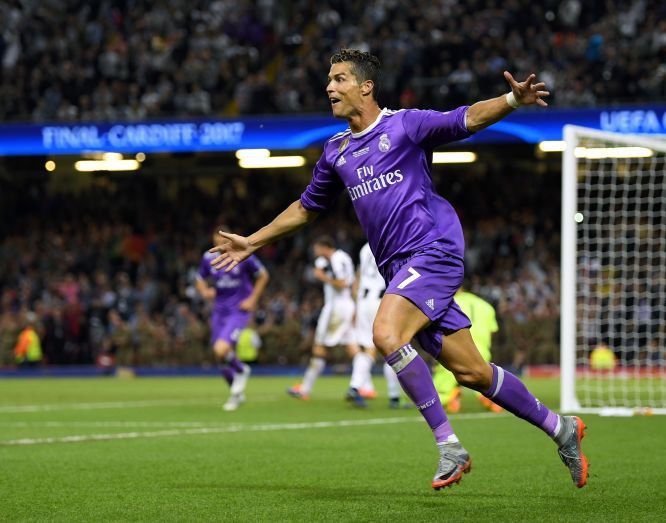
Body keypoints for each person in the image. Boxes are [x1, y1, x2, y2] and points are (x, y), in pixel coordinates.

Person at [209, 49, 588, 490]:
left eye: (340, 79)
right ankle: (561, 428)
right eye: (329, 80)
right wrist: (252, 241)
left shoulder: (404, 125)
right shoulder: (335, 152)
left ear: (366, 87)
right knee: (472, 373)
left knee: (386, 334)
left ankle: (449, 445)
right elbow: (305, 208)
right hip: (399, 270)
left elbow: (462, 119)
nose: (330, 87)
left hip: (433, 251)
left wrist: (512, 100)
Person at [287, 236, 368, 407]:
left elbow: (342, 283)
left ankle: (305, 389)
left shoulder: (336, 260)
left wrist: (322, 276)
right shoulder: (343, 257)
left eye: (316, 248)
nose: (315, 252)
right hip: (345, 306)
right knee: (353, 348)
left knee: (320, 348)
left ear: (324, 247)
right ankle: (360, 386)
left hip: (336, 309)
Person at [196, 228, 269, 411]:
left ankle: (242, 370)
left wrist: (252, 299)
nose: (219, 243)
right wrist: (204, 291)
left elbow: (263, 275)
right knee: (219, 356)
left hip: (238, 310)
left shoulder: (242, 254)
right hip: (219, 311)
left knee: (221, 349)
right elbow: (199, 278)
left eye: (222, 239)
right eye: (216, 239)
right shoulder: (208, 258)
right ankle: (236, 394)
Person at [432, 285, 501, 414]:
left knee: (436, 397)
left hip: (455, 350)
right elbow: (492, 333)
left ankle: (451, 395)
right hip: (481, 353)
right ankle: (487, 394)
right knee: (481, 378)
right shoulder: (486, 306)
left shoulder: (446, 303)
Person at [354, 242, 403, 408]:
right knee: (393, 348)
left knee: (367, 348)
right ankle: (394, 397)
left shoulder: (364, 247)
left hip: (363, 301)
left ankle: (355, 386)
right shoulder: (390, 243)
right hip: (382, 300)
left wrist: (356, 305)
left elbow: (358, 276)